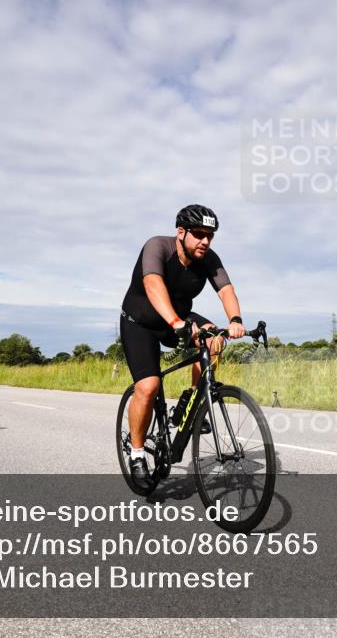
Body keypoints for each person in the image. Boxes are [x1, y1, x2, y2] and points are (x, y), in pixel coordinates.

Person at [120, 204, 245, 490]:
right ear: (181, 232)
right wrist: (176, 321)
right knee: (149, 387)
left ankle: (189, 402)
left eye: (210, 236)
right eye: (199, 234)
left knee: (215, 339)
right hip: (140, 322)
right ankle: (137, 454)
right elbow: (152, 283)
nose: (205, 241)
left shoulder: (208, 258)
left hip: (178, 319)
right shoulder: (157, 247)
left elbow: (226, 290)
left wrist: (235, 320)